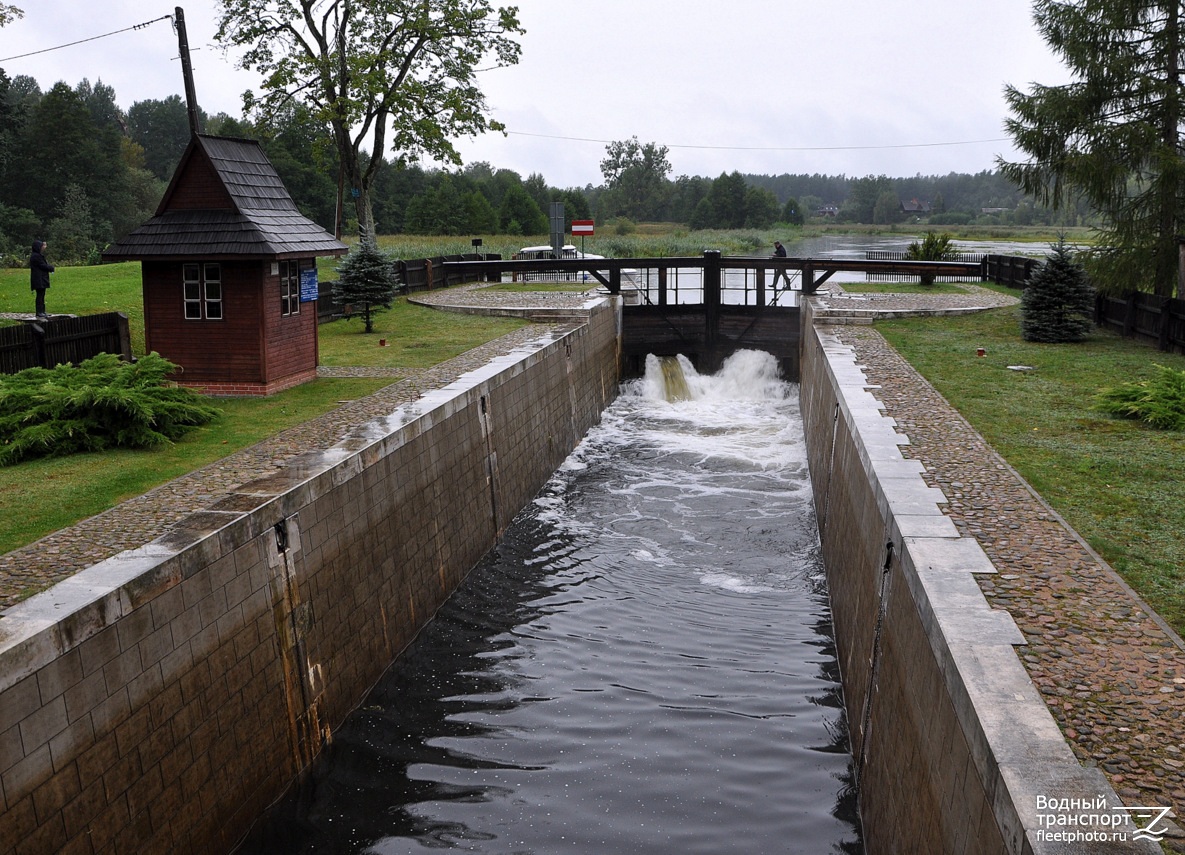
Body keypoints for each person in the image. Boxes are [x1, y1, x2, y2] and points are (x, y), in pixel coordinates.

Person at [29, 240, 54, 319]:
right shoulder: (36, 256)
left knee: (42, 295)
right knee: (40, 296)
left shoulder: (37, 255)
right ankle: (39, 312)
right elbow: (42, 266)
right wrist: (51, 268)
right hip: (38, 279)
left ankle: (42, 311)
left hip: (41, 278)